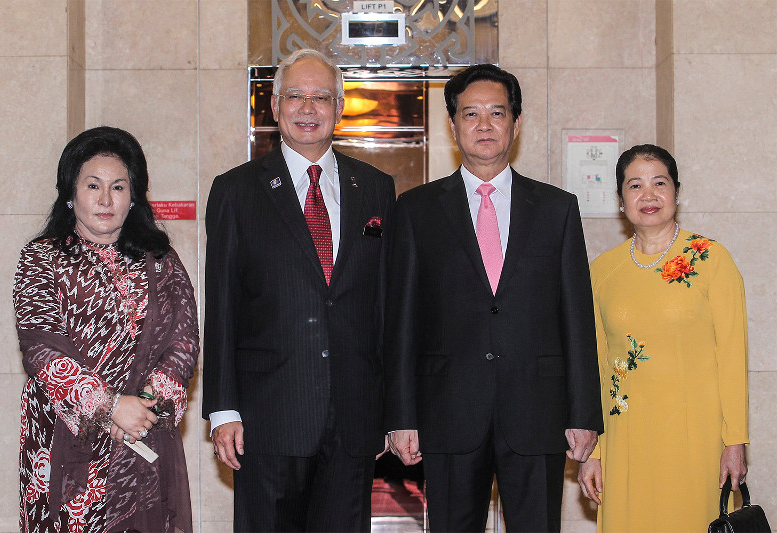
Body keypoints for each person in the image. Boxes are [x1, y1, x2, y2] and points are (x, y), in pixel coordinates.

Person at [383, 63, 603, 532]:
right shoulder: (416, 210)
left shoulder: (557, 209)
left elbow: (577, 318)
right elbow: (402, 320)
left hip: (537, 409)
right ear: (452, 123)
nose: (484, 125)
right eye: (470, 113)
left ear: (516, 124)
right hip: (448, 411)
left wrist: (584, 414)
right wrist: (401, 415)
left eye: (496, 113)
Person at [202, 48, 395, 532]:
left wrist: (393, 410)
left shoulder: (374, 187)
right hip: (268, 417)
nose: (307, 108)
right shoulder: (236, 191)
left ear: (340, 107)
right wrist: (223, 409)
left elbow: (386, 307)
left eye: (321, 97)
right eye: (295, 96)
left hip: (353, 418)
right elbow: (222, 306)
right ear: (273, 105)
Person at [14, 126, 200, 533]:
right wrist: (111, 406)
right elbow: (42, 348)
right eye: (93, 185)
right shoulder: (42, 258)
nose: (105, 199)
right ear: (70, 192)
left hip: (144, 436)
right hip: (64, 437)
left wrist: (144, 405)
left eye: (118, 187)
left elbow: (183, 341)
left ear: (133, 197)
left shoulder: (161, 261)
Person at [577, 144, 749, 532]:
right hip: (626, 439)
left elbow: (733, 356)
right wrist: (594, 452)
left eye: (660, 183)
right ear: (620, 200)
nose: (648, 195)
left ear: (676, 192)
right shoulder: (603, 271)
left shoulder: (710, 259)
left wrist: (734, 440)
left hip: (696, 436)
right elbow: (596, 365)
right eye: (635, 185)